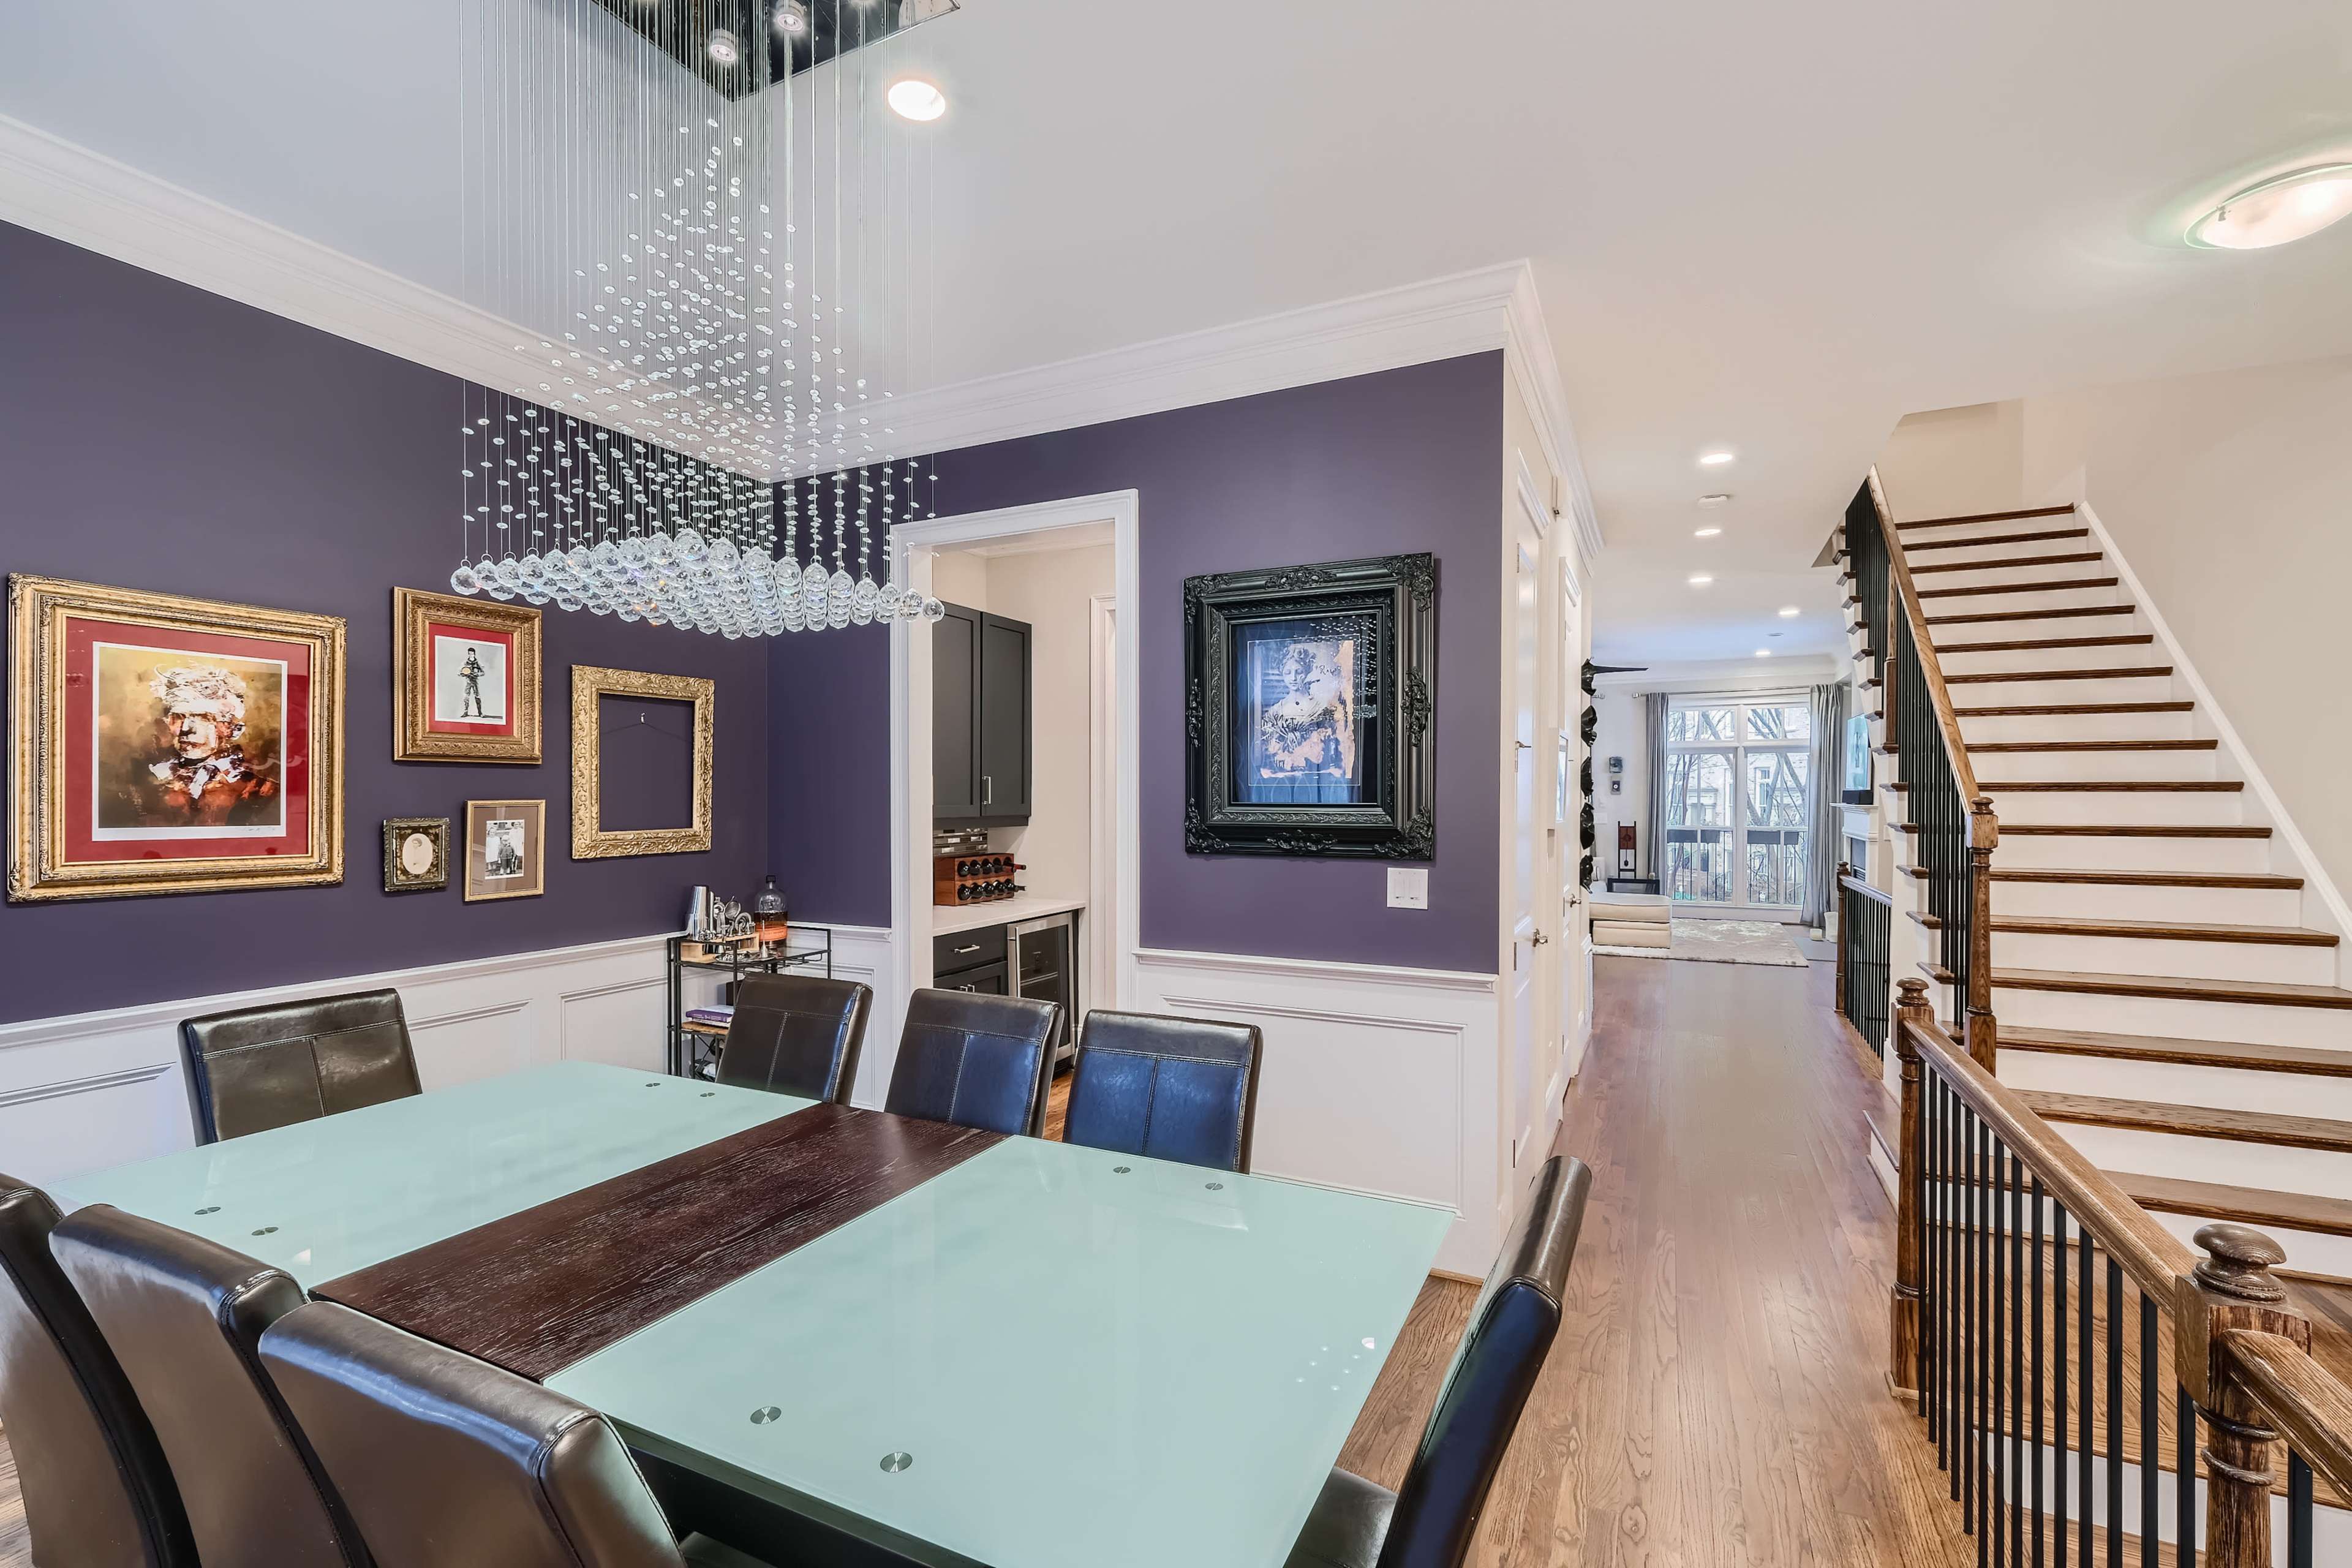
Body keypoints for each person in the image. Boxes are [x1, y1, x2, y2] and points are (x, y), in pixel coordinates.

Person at [114, 665, 280, 829]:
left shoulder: (258, 789)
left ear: (230, 729)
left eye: (200, 718)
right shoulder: (143, 782)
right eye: (177, 718)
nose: (187, 729)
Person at [458, 645, 489, 718]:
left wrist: (477, 674)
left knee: (477, 696)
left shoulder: (478, 663)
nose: (471, 655)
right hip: (468, 682)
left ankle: (480, 713)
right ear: (468, 654)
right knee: (466, 697)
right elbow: (459, 672)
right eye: (470, 654)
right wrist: (463, 674)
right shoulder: (465, 663)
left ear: (474, 654)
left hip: (475, 681)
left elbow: (483, 672)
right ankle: (465, 712)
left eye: (472, 654)